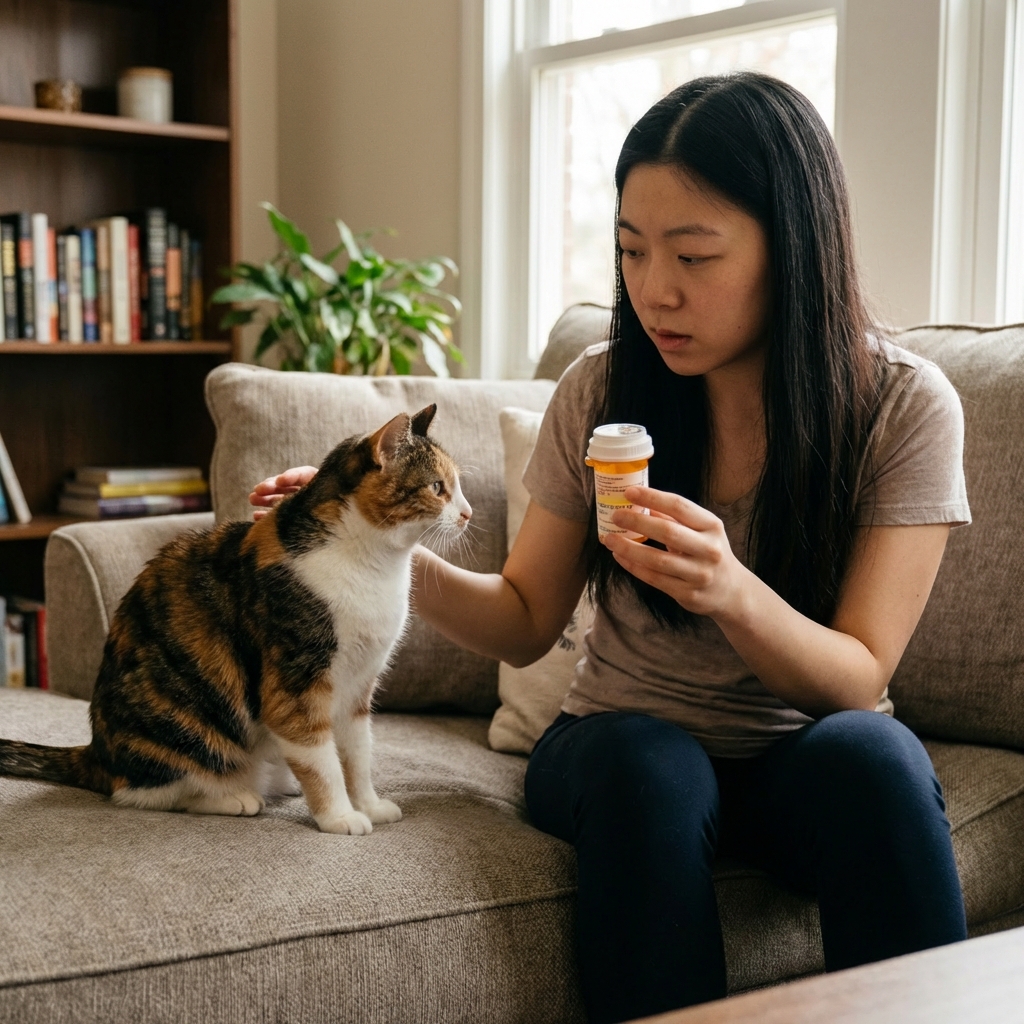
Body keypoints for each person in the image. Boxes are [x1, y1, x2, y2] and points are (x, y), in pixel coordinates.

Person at [251, 73, 970, 1024]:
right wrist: (364, 544)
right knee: (649, 765)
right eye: (631, 251)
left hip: (799, 758)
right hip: (615, 748)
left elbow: (857, 674)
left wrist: (728, 589)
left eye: (695, 254)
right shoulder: (601, 390)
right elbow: (522, 623)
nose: (655, 291)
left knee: (874, 758)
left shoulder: (903, 409)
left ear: (793, 247)